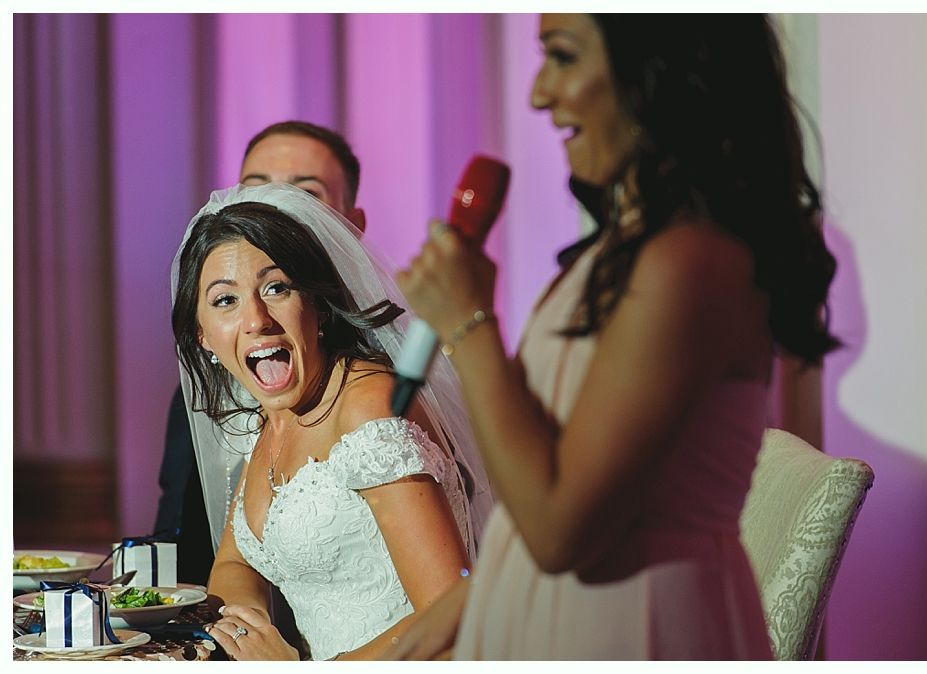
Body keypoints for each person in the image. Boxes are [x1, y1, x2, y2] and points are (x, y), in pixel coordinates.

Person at [386, 14, 839, 659]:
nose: (539, 94)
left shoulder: (691, 263)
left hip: (637, 627)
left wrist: (467, 321)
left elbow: (560, 528)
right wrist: (456, 614)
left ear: (656, 72)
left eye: (563, 58)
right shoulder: (613, 256)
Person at [170, 182, 492, 660]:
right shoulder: (269, 420)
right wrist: (246, 632)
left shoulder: (368, 406)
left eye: (276, 288)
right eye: (225, 301)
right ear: (203, 336)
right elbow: (236, 562)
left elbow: (451, 612)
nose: (256, 319)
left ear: (317, 306)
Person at [155, 121, 368, 585]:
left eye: (304, 193)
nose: (275, 209)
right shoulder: (206, 387)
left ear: (352, 224)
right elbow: (185, 541)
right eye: (255, 191)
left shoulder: (374, 392)